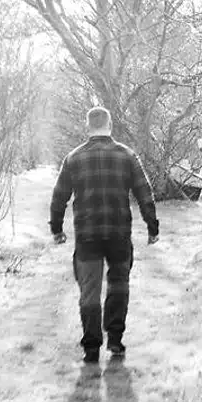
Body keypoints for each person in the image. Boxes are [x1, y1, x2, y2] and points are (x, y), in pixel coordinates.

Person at [50, 106, 160, 363]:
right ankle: (115, 340)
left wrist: (56, 229)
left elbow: (59, 198)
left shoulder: (73, 158)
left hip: (87, 235)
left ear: (88, 126)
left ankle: (91, 348)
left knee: (89, 292)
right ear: (109, 125)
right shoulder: (127, 156)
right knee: (119, 285)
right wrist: (152, 227)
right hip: (119, 233)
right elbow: (145, 193)